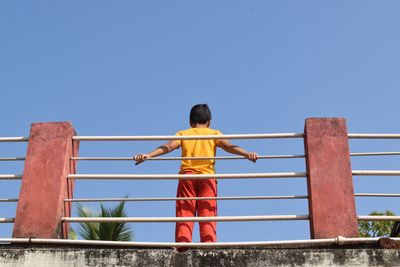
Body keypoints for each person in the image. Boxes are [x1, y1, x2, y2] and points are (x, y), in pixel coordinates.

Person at [134, 104, 258, 245]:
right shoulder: (214, 134)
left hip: (187, 177)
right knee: (207, 211)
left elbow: (168, 147)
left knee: (185, 211)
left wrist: (148, 155)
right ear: (209, 122)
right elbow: (229, 146)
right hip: (207, 178)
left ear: (190, 122)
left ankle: (182, 244)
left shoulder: (183, 134)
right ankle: (208, 244)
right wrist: (246, 153)